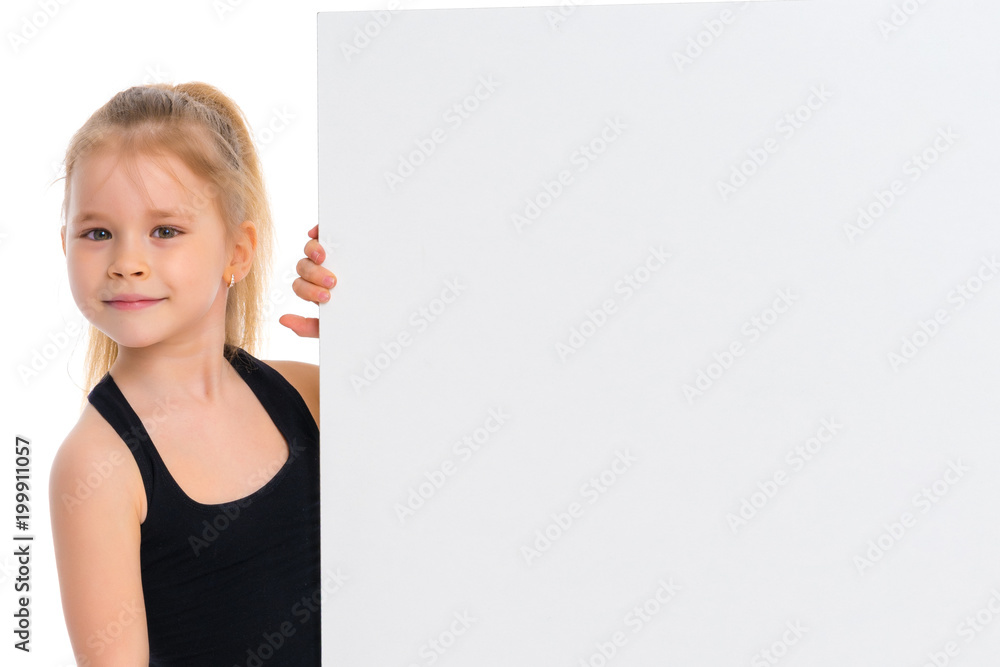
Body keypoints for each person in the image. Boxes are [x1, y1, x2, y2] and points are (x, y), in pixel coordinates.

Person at [48, 82, 338, 666]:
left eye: (165, 231)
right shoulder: (98, 467)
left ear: (237, 250)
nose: (127, 262)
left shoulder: (308, 395)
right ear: (65, 245)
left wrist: (368, 352)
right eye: (97, 233)